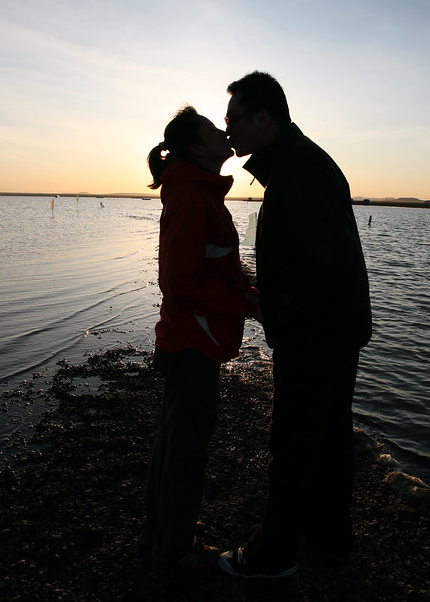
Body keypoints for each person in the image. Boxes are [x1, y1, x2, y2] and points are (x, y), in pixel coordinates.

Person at [218, 72, 372, 578]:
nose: (228, 131)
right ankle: (329, 536)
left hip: (316, 334)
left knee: (292, 442)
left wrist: (272, 312)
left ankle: (273, 555)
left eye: (235, 119)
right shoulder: (302, 161)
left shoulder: (298, 171)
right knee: (328, 438)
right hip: (336, 328)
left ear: (265, 117)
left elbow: (314, 271)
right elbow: (311, 261)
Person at [142, 105, 259, 570]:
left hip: (189, 341)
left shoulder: (201, 192)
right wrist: (250, 306)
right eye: (213, 128)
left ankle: (164, 532)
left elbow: (215, 267)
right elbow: (180, 283)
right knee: (186, 450)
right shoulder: (192, 196)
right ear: (197, 147)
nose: (224, 130)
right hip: (190, 343)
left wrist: (248, 290)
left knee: (173, 443)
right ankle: (175, 550)